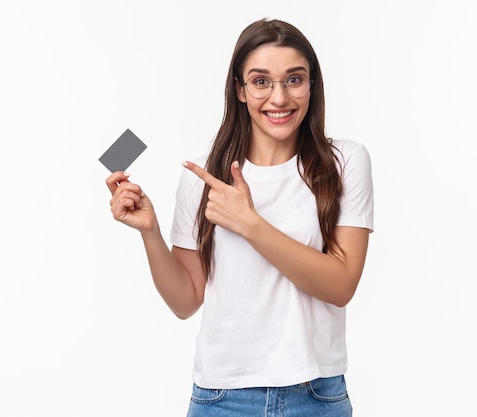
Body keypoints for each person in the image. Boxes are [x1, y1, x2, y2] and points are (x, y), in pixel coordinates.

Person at [106, 17, 374, 417]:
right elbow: (185, 301)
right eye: (261, 81)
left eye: (294, 80)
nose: (279, 98)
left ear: (312, 86)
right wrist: (151, 232)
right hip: (222, 398)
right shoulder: (203, 177)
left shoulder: (344, 162)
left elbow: (340, 285)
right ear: (240, 89)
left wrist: (250, 224)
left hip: (315, 395)